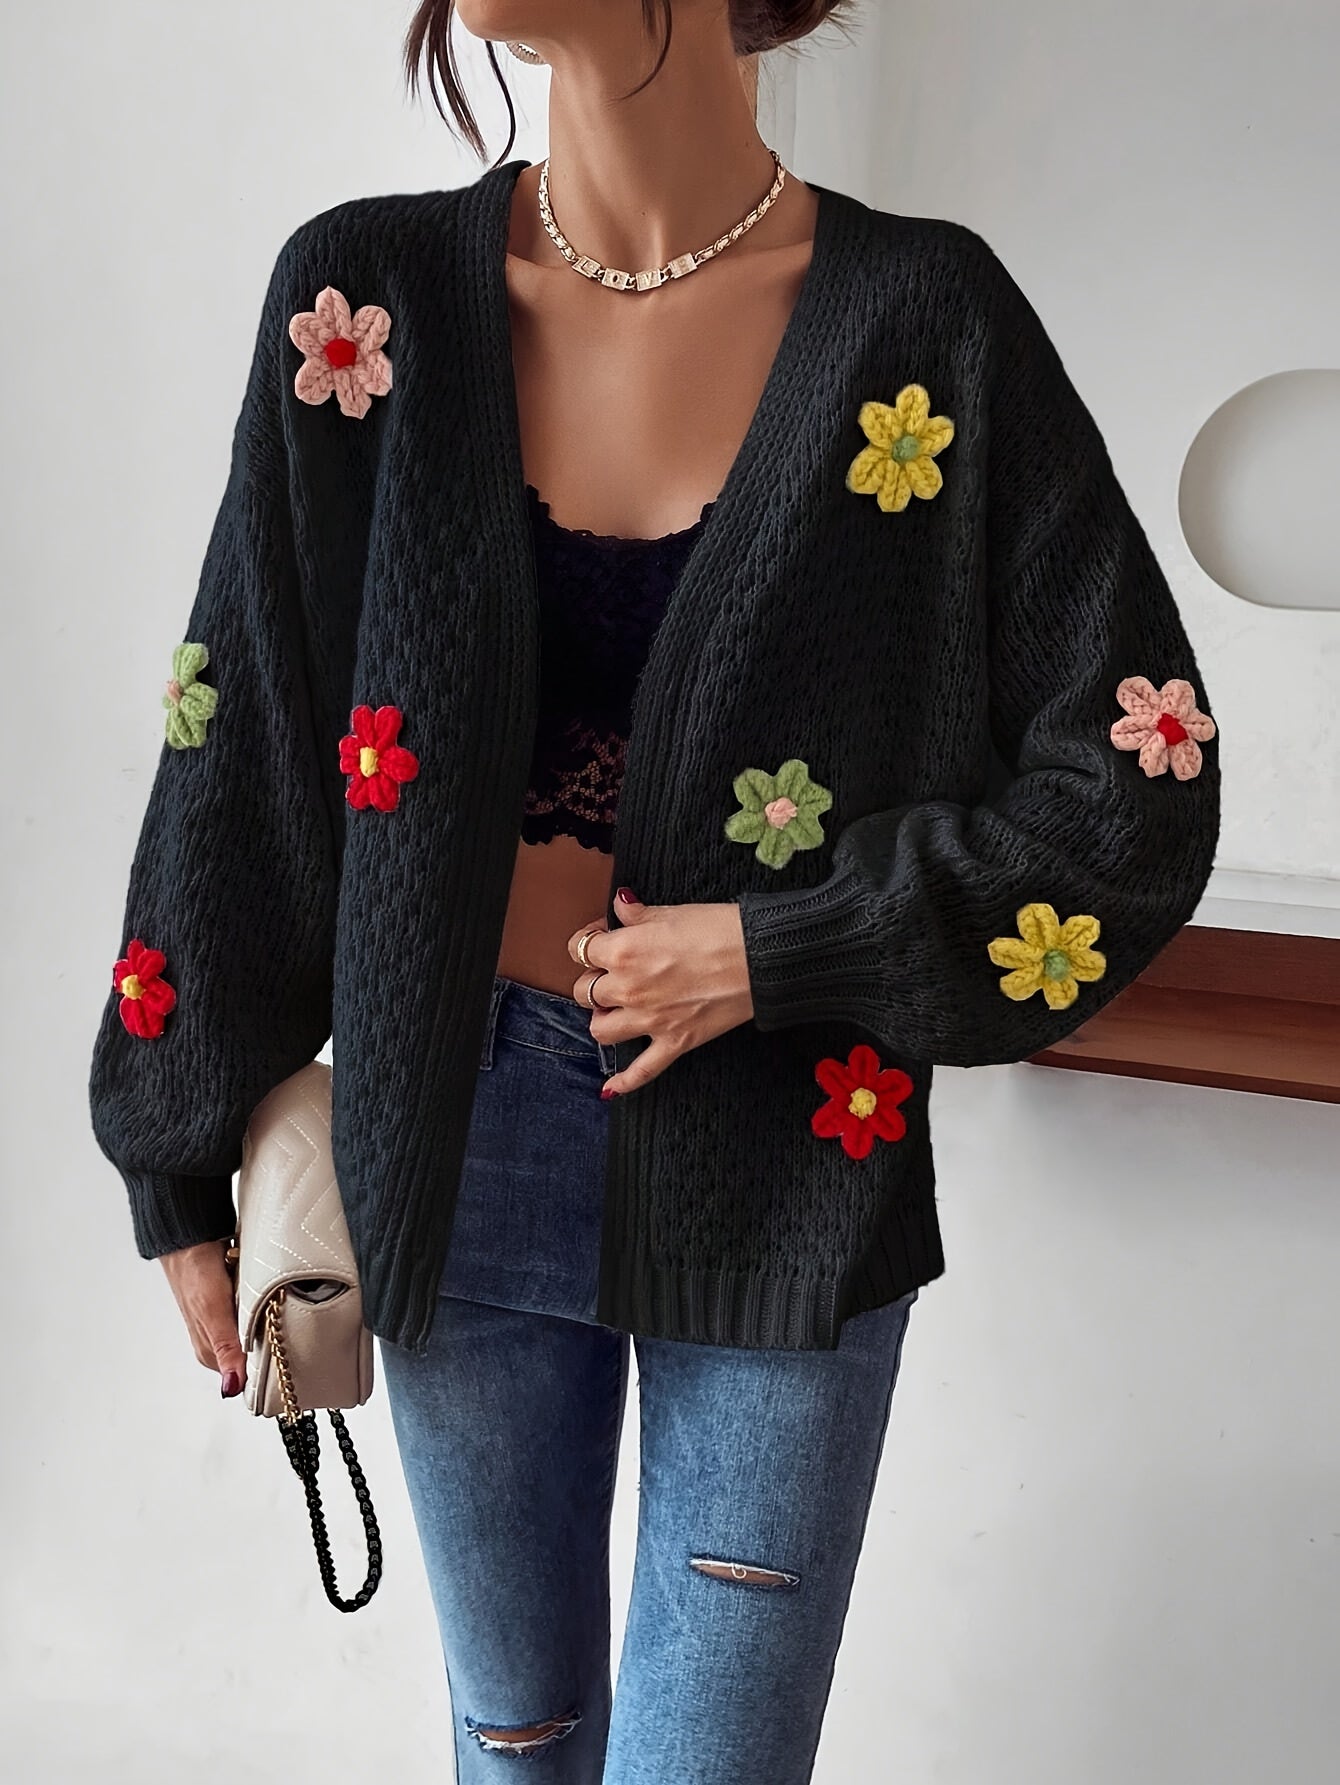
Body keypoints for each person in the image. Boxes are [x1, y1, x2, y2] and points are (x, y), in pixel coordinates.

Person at [87, 2, 1222, 1777]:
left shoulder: (928, 325)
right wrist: (172, 1140)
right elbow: (240, 732)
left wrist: (787, 948)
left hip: (787, 1170)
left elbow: (1138, 781)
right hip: (449, 1147)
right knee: (517, 1746)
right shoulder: (362, 310)